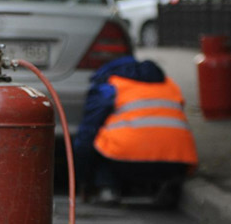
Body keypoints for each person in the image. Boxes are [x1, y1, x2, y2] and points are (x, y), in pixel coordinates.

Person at [72, 55, 198, 208]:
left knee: (99, 141)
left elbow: (87, 134)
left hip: (125, 162)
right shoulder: (170, 85)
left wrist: (83, 178)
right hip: (177, 161)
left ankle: (107, 189)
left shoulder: (111, 85)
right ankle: (166, 186)